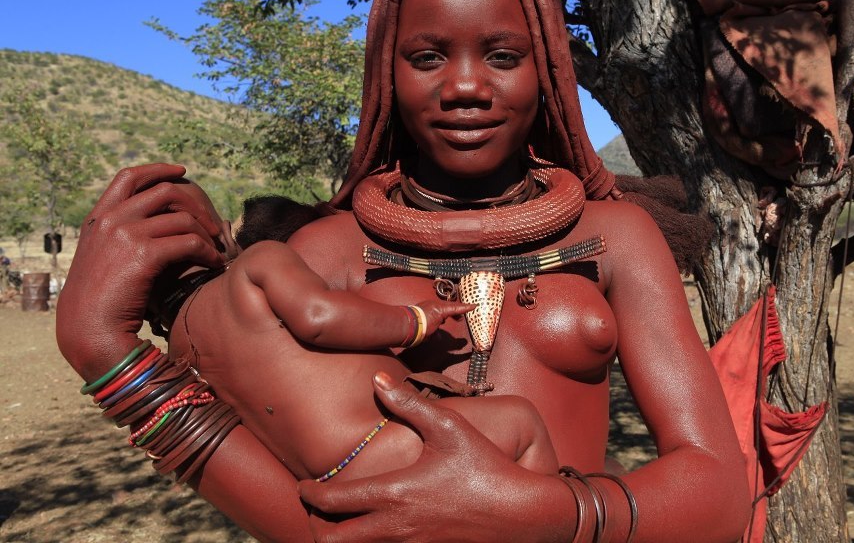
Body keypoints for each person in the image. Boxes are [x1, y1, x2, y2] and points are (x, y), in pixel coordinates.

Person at [57, 0, 750, 542]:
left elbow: (720, 495)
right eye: (428, 57)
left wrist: (550, 516)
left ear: (549, 70)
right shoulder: (328, 250)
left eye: (503, 55)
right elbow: (315, 519)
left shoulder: (617, 238)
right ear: (385, 77)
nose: (466, 86)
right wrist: (103, 353)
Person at [148, 183, 556, 483]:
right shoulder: (257, 263)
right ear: (219, 235)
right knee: (520, 421)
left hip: (326, 478)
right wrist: (415, 319)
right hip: (384, 442)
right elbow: (319, 317)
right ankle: (548, 515)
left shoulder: (181, 344)